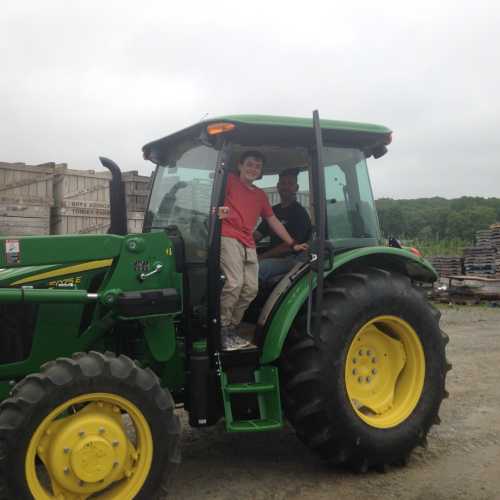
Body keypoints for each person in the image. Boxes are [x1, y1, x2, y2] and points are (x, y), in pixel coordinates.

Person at [218, 152, 308, 350]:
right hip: (228, 236)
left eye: (257, 167)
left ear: (260, 172)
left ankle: (232, 327)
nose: (253, 169)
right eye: (249, 164)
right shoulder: (229, 181)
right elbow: (216, 199)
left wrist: (293, 244)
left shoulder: (260, 196)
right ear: (239, 166)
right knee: (234, 283)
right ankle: (221, 328)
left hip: (246, 242)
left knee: (251, 288)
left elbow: (273, 221)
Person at [254, 168, 312, 284]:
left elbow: (288, 246)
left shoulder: (300, 214)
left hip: (292, 258)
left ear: (296, 188)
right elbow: (258, 235)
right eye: (283, 183)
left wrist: (262, 257)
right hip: (274, 257)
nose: (286, 187)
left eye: (290, 184)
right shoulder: (273, 211)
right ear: (278, 186)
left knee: (256, 268)